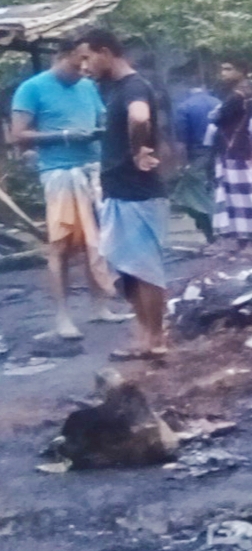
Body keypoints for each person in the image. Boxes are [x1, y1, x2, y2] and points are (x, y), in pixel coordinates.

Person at [8, 37, 129, 338]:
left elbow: (101, 118)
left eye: (87, 61)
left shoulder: (87, 86)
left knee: (96, 241)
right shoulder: (32, 88)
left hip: (93, 169)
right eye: (79, 61)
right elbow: (17, 135)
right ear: (61, 56)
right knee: (62, 246)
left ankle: (99, 306)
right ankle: (63, 317)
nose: (84, 68)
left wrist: (101, 132)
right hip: (60, 171)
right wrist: (63, 135)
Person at [82, 28, 171, 361]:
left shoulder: (133, 86)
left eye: (88, 57)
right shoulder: (115, 88)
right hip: (120, 191)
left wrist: (138, 151)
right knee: (126, 266)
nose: (86, 65)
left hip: (138, 192)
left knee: (144, 267)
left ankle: (155, 338)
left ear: (106, 52)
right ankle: (145, 333)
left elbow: (139, 117)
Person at [210, 56, 252, 249]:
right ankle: (244, 241)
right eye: (222, 69)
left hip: (234, 150)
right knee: (237, 196)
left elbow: (217, 117)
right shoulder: (243, 93)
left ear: (242, 71)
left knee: (240, 196)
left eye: (228, 68)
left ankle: (250, 242)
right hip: (235, 149)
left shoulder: (237, 96)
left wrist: (216, 114)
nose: (223, 73)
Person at [169, 79, 219, 243]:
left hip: (198, 158)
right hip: (220, 157)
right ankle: (219, 234)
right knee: (216, 195)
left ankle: (212, 236)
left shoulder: (184, 108)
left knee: (189, 198)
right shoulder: (218, 103)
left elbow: (181, 143)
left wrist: (181, 164)